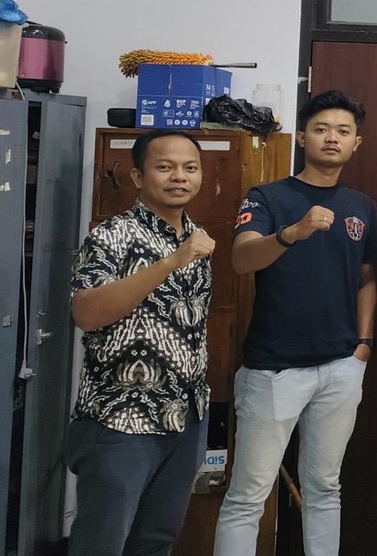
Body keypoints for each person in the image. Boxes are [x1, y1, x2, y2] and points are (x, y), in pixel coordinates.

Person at [215, 91, 377, 556]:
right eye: (322, 128)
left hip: (341, 366)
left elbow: (368, 278)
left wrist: (364, 344)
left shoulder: (362, 206)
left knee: (325, 487)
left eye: (343, 131)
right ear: (303, 136)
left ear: (356, 143)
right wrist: (291, 233)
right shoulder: (267, 196)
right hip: (274, 369)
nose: (332, 137)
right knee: (248, 495)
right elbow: (242, 259)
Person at [67, 130, 214, 556]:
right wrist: (171, 262)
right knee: (101, 543)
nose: (179, 177)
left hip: (184, 418)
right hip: (121, 418)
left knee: (156, 540)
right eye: (165, 167)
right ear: (137, 176)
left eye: (190, 168)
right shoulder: (111, 235)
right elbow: (86, 313)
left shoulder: (197, 236)